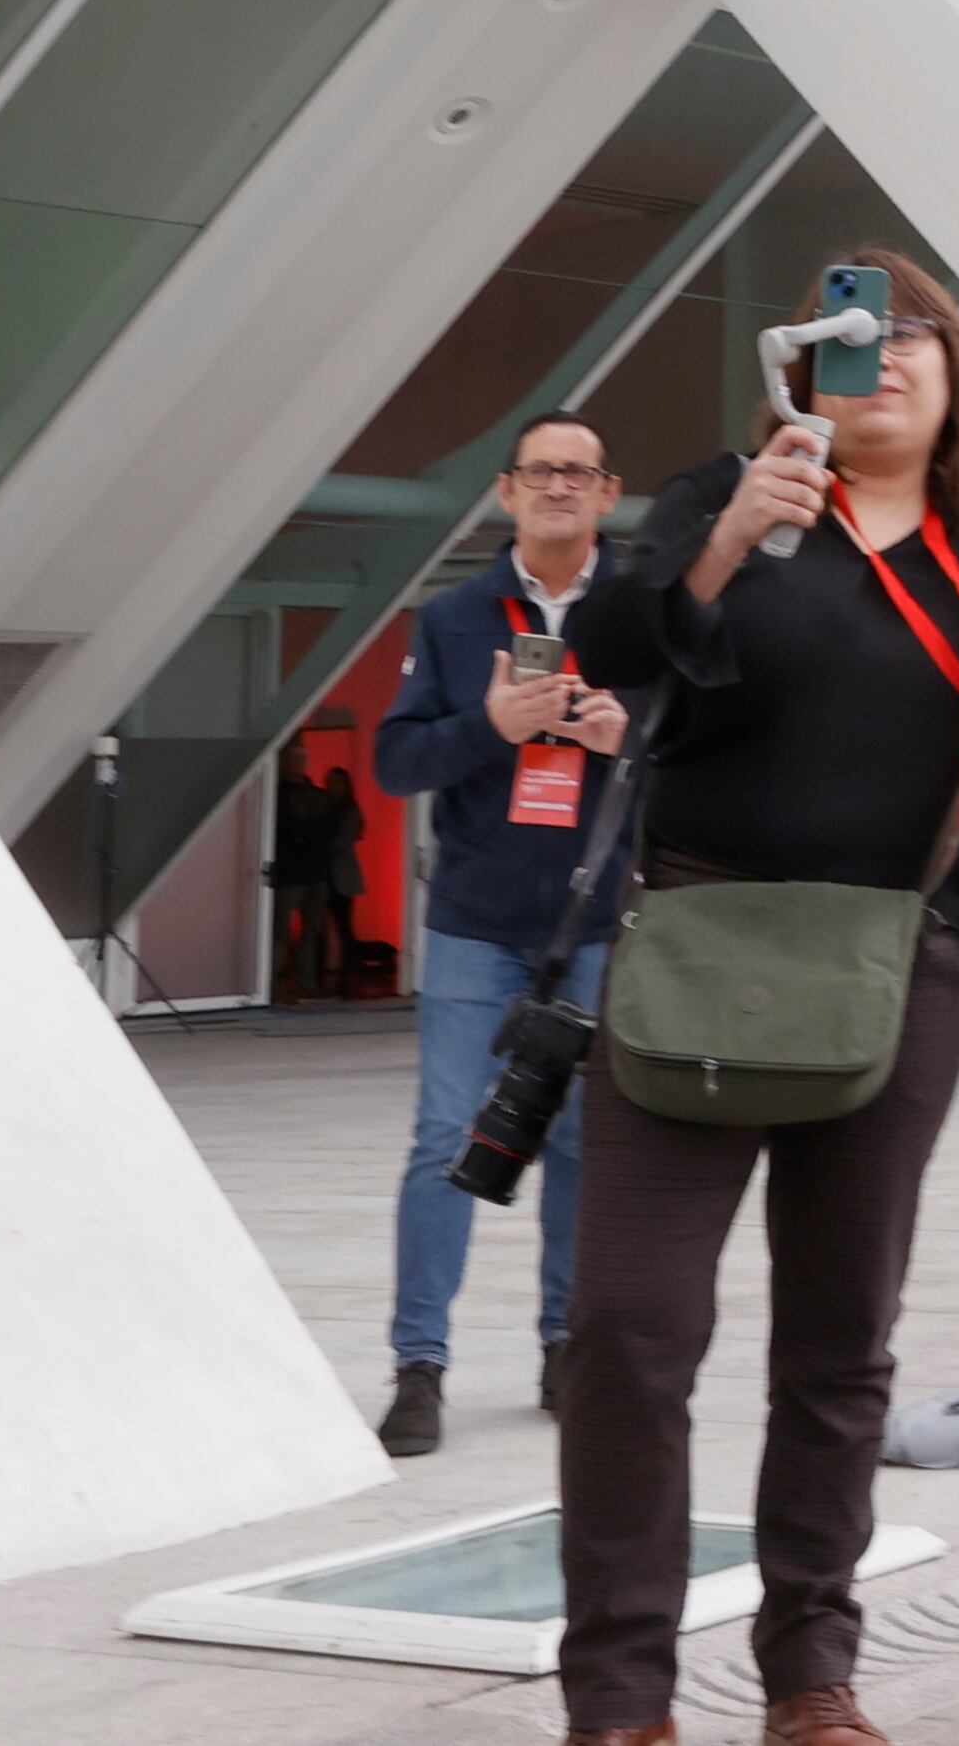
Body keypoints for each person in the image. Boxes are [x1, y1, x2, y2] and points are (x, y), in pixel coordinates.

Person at [556, 252, 959, 1746]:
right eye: (858, 337)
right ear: (807, 366)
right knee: (626, 1326)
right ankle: (618, 1697)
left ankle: (811, 1678)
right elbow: (600, 650)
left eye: (916, 333)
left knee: (840, 1346)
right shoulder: (717, 500)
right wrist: (724, 538)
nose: (891, 358)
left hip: (894, 976)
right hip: (695, 964)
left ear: (953, 374)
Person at [364, 411, 636, 1458]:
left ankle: (567, 1343)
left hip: (599, 920)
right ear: (505, 491)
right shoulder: (454, 618)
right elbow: (395, 764)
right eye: (541, 470)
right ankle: (418, 1363)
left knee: (580, 1142)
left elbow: (700, 754)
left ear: (608, 493)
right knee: (445, 1139)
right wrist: (494, 728)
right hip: (477, 924)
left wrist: (629, 737)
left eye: (579, 470)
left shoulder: (645, 614)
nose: (559, 485)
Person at [266, 749, 358, 1003]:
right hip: (290, 873)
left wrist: (307, 832)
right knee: (281, 931)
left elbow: (327, 830)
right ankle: (270, 986)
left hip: (316, 873)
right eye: (295, 759)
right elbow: (288, 830)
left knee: (312, 932)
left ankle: (307, 985)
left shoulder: (318, 796)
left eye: (302, 759)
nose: (299, 763)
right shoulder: (276, 794)